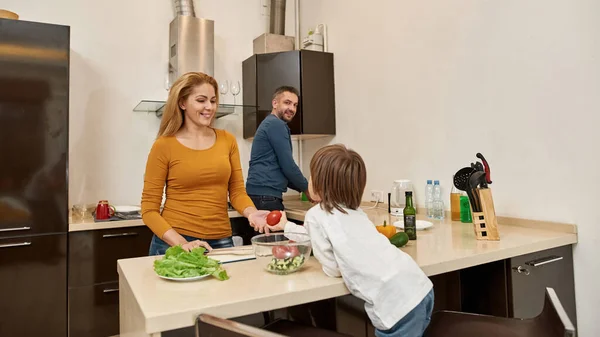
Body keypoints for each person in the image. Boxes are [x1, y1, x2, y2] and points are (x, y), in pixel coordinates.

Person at [268, 144, 434, 337]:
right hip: (419, 287)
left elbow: (333, 268)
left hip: (395, 307)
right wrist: (286, 226)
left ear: (321, 185)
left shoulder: (316, 215)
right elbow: (316, 234)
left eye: (311, 176)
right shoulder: (356, 213)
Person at [141, 72, 269, 255]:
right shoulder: (164, 145)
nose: (209, 107)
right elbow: (149, 209)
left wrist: (252, 212)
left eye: (213, 100)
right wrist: (181, 242)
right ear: (182, 103)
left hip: (221, 240)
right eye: (201, 100)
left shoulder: (227, 140)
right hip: (174, 242)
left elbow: (237, 192)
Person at [246, 86, 311, 213]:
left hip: (259, 196)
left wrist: (303, 188)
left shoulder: (269, 123)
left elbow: (281, 169)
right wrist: (307, 189)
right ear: (274, 103)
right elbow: (288, 166)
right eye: (287, 103)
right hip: (266, 198)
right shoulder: (276, 124)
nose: (292, 109)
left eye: (295, 105)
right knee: (273, 234)